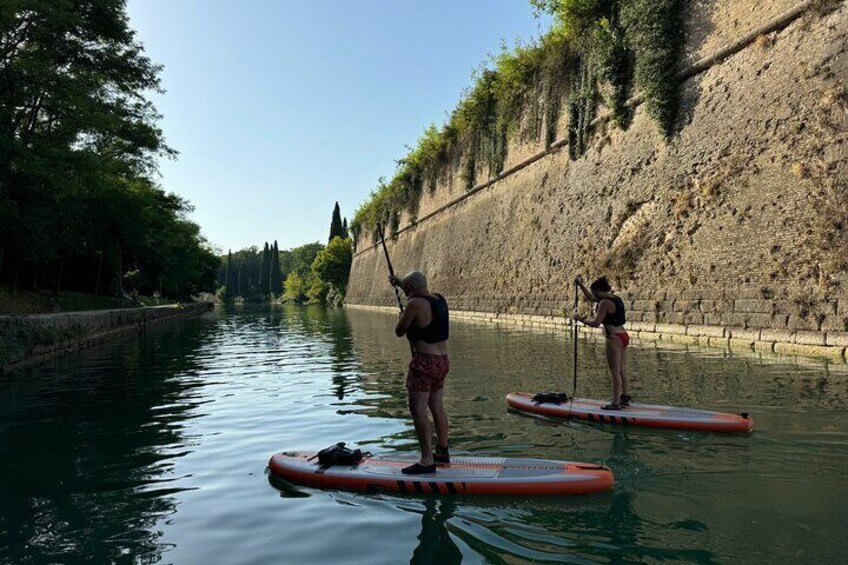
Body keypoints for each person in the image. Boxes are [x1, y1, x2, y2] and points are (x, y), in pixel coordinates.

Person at [390, 270, 451, 474]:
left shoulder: (414, 305)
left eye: (407, 290)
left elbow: (399, 331)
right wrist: (400, 283)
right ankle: (442, 451)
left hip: (424, 362)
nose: (406, 293)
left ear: (412, 289)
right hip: (442, 361)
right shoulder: (439, 299)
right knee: (436, 406)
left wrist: (403, 316)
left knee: (418, 410)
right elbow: (417, 292)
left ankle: (427, 461)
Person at [573, 275, 632, 410]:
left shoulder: (604, 303)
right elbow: (591, 298)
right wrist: (581, 285)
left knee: (614, 371)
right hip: (623, 335)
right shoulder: (615, 298)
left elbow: (595, 323)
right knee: (622, 369)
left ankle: (615, 403)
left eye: (595, 292)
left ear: (599, 290)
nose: (594, 295)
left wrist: (580, 319)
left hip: (614, 338)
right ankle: (625, 397)